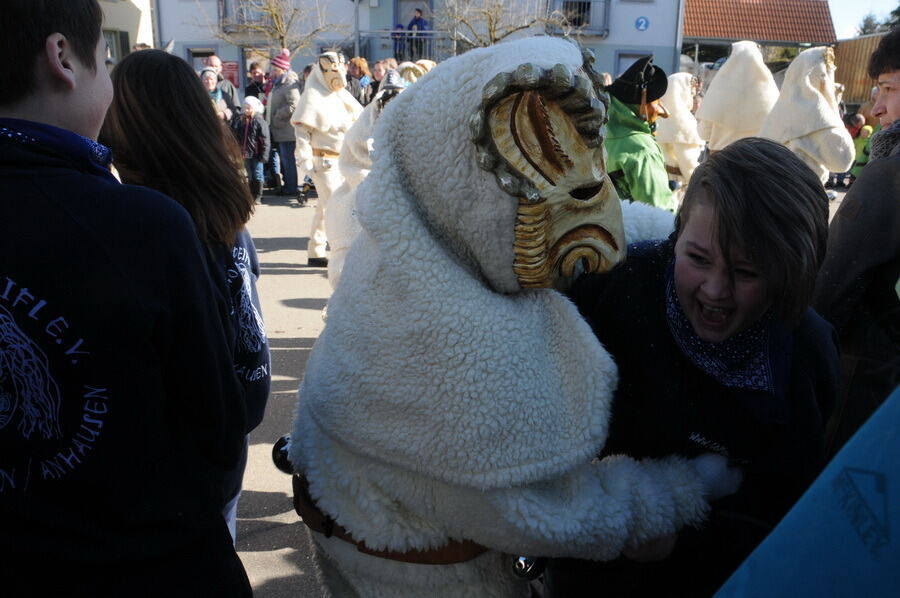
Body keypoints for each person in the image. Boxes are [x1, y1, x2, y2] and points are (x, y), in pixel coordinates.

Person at [287, 37, 740, 598]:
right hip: (424, 578)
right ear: (476, 189)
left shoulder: (410, 241)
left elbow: (578, 208)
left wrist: (682, 241)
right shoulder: (441, 351)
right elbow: (540, 512)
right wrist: (679, 490)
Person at [0, 1, 250, 594]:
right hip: (142, 563)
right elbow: (217, 425)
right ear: (62, 58)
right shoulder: (141, 225)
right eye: (105, 62)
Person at [544, 137, 839, 597]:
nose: (716, 290)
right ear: (678, 232)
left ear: (788, 274)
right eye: (698, 259)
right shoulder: (613, 295)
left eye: (747, 272)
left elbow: (787, 509)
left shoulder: (803, 354)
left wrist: (685, 542)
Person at [100, 49, 271, 545]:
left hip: (156, 475)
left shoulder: (130, 219)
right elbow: (250, 352)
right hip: (220, 457)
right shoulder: (223, 210)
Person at [812, 26, 900, 460]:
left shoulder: (889, 175)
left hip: (870, 379)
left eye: (888, 89)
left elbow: (830, 286)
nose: (877, 107)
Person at [292, 51, 363, 267]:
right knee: (336, 207)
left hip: (344, 161)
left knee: (326, 207)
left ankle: (316, 250)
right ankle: (342, 253)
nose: (338, 74)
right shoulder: (313, 96)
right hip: (324, 162)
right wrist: (304, 158)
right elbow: (302, 131)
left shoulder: (341, 96)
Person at [758, 47, 854, 185]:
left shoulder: (778, 111)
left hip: (770, 190)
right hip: (802, 195)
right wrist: (832, 109)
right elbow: (843, 161)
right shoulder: (820, 119)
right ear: (822, 77)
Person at [606, 56, 676, 211]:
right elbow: (658, 209)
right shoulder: (643, 150)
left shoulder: (599, 134)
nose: (661, 111)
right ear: (641, 105)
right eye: (657, 102)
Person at [696, 41, 779, 151]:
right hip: (759, 161)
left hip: (723, 162)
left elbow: (704, 134)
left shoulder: (719, 90)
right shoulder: (770, 92)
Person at [655, 72, 704, 194]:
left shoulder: (660, 119)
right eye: (691, 94)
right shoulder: (683, 122)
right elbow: (688, 164)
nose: (692, 97)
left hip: (661, 183)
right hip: (681, 189)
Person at [267, 48, 302, 198]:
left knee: (288, 160)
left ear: (283, 69)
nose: (272, 72)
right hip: (279, 129)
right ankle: (288, 186)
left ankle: (291, 188)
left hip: (286, 130)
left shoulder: (289, 83)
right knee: (284, 160)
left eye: (275, 69)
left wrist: (277, 115)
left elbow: (294, 104)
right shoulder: (278, 83)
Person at [230, 95, 271, 205]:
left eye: (249, 108)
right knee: (250, 174)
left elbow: (265, 140)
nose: (246, 110)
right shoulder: (241, 120)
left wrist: (264, 155)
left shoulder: (259, 121)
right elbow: (237, 135)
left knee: (258, 173)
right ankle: (252, 194)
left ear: (254, 108)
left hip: (257, 154)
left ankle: (258, 195)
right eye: (245, 108)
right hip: (246, 153)